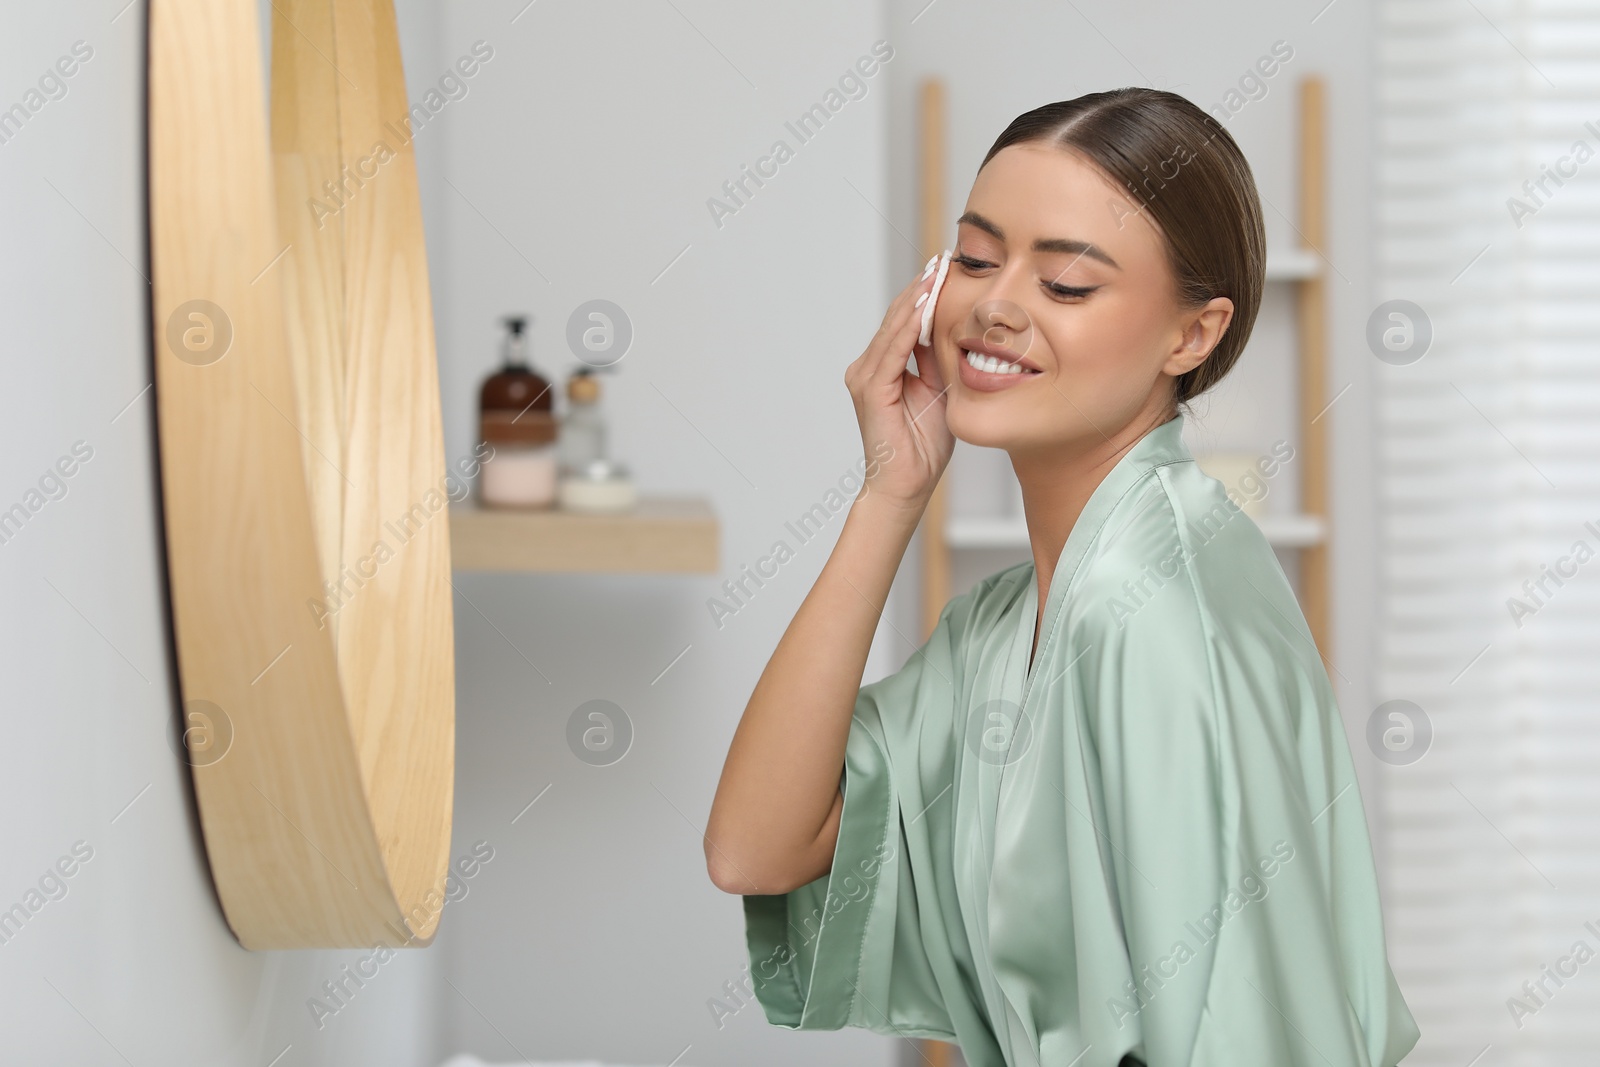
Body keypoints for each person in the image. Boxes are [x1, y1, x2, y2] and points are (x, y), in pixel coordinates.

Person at [704, 89, 1420, 1067]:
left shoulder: (1157, 606)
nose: (995, 307)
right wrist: (888, 496)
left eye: (1067, 286)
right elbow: (756, 847)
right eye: (976, 257)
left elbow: (1238, 1029)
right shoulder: (1006, 622)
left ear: (1191, 335)